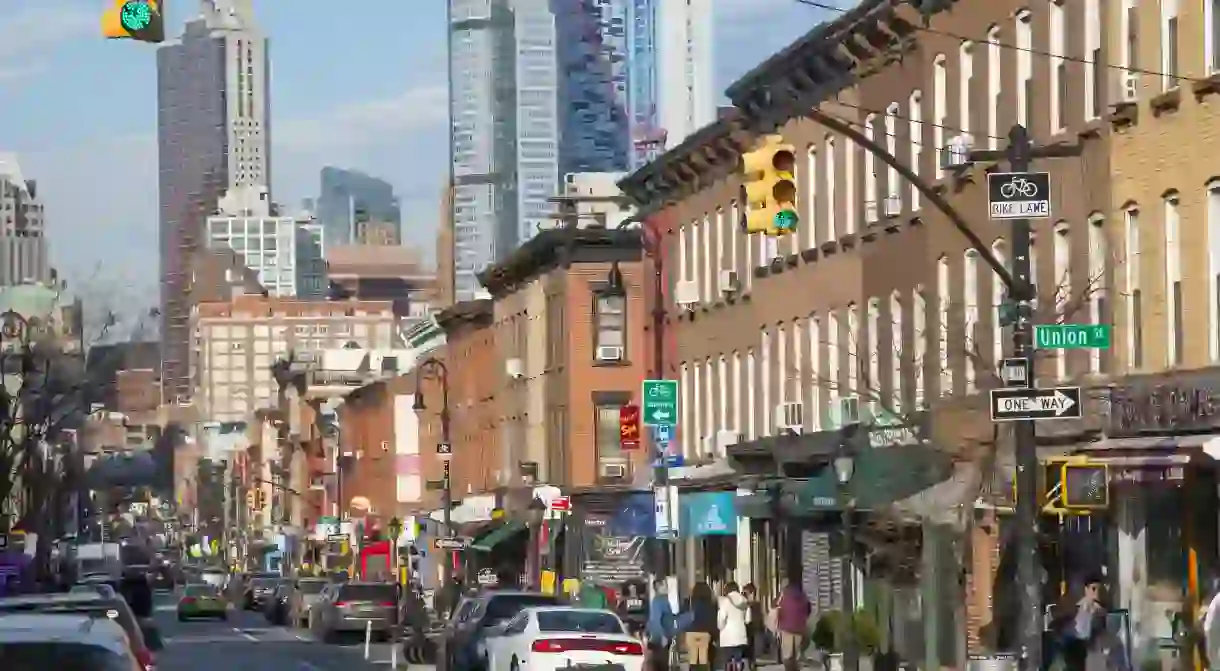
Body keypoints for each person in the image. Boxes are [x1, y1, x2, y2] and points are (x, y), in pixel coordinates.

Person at [1059, 575, 1107, 671]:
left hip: (1092, 650)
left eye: (1099, 589)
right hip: (1076, 648)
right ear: (1086, 589)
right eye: (1093, 589)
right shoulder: (1078, 608)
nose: (1096, 592)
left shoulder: (1100, 610)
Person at [776, 578, 811, 671]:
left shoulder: (784, 597)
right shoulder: (803, 596)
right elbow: (808, 609)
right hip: (799, 628)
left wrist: (778, 626)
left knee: (787, 656)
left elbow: (778, 611)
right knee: (797, 656)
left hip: (786, 629)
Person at [684, 581, 718, 671]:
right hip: (704, 633)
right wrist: (715, 636)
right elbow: (713, 620)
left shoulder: (689, 603)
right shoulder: (711, 605)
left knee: (693, 660)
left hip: (691, 633)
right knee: (703, 660)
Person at [718, 582, 750, 670]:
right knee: (738, 658)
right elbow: (748, 620)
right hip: (740, 635)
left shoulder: (725, 601)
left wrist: (721, 628)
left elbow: (721, 618)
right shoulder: (744, 600)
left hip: (727, 635)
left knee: (728, 660)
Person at [646, 578, 676, 671]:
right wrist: (662, 636)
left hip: (664, 637)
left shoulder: (662, 600)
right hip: (660, 639)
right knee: (661, 665)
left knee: (661, 664)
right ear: (658, 587)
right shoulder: (658, 601)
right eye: (664, 585)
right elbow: (656, 620)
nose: (666, 587)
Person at [743, 583, 765, 669]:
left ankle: (752, 661)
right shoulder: (745, 602)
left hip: (753, 626)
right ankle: (750, 661)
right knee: (749, 646)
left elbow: (759, 615)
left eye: (747, 592)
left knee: (753, 646)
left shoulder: (756, 603)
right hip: (747, 626)